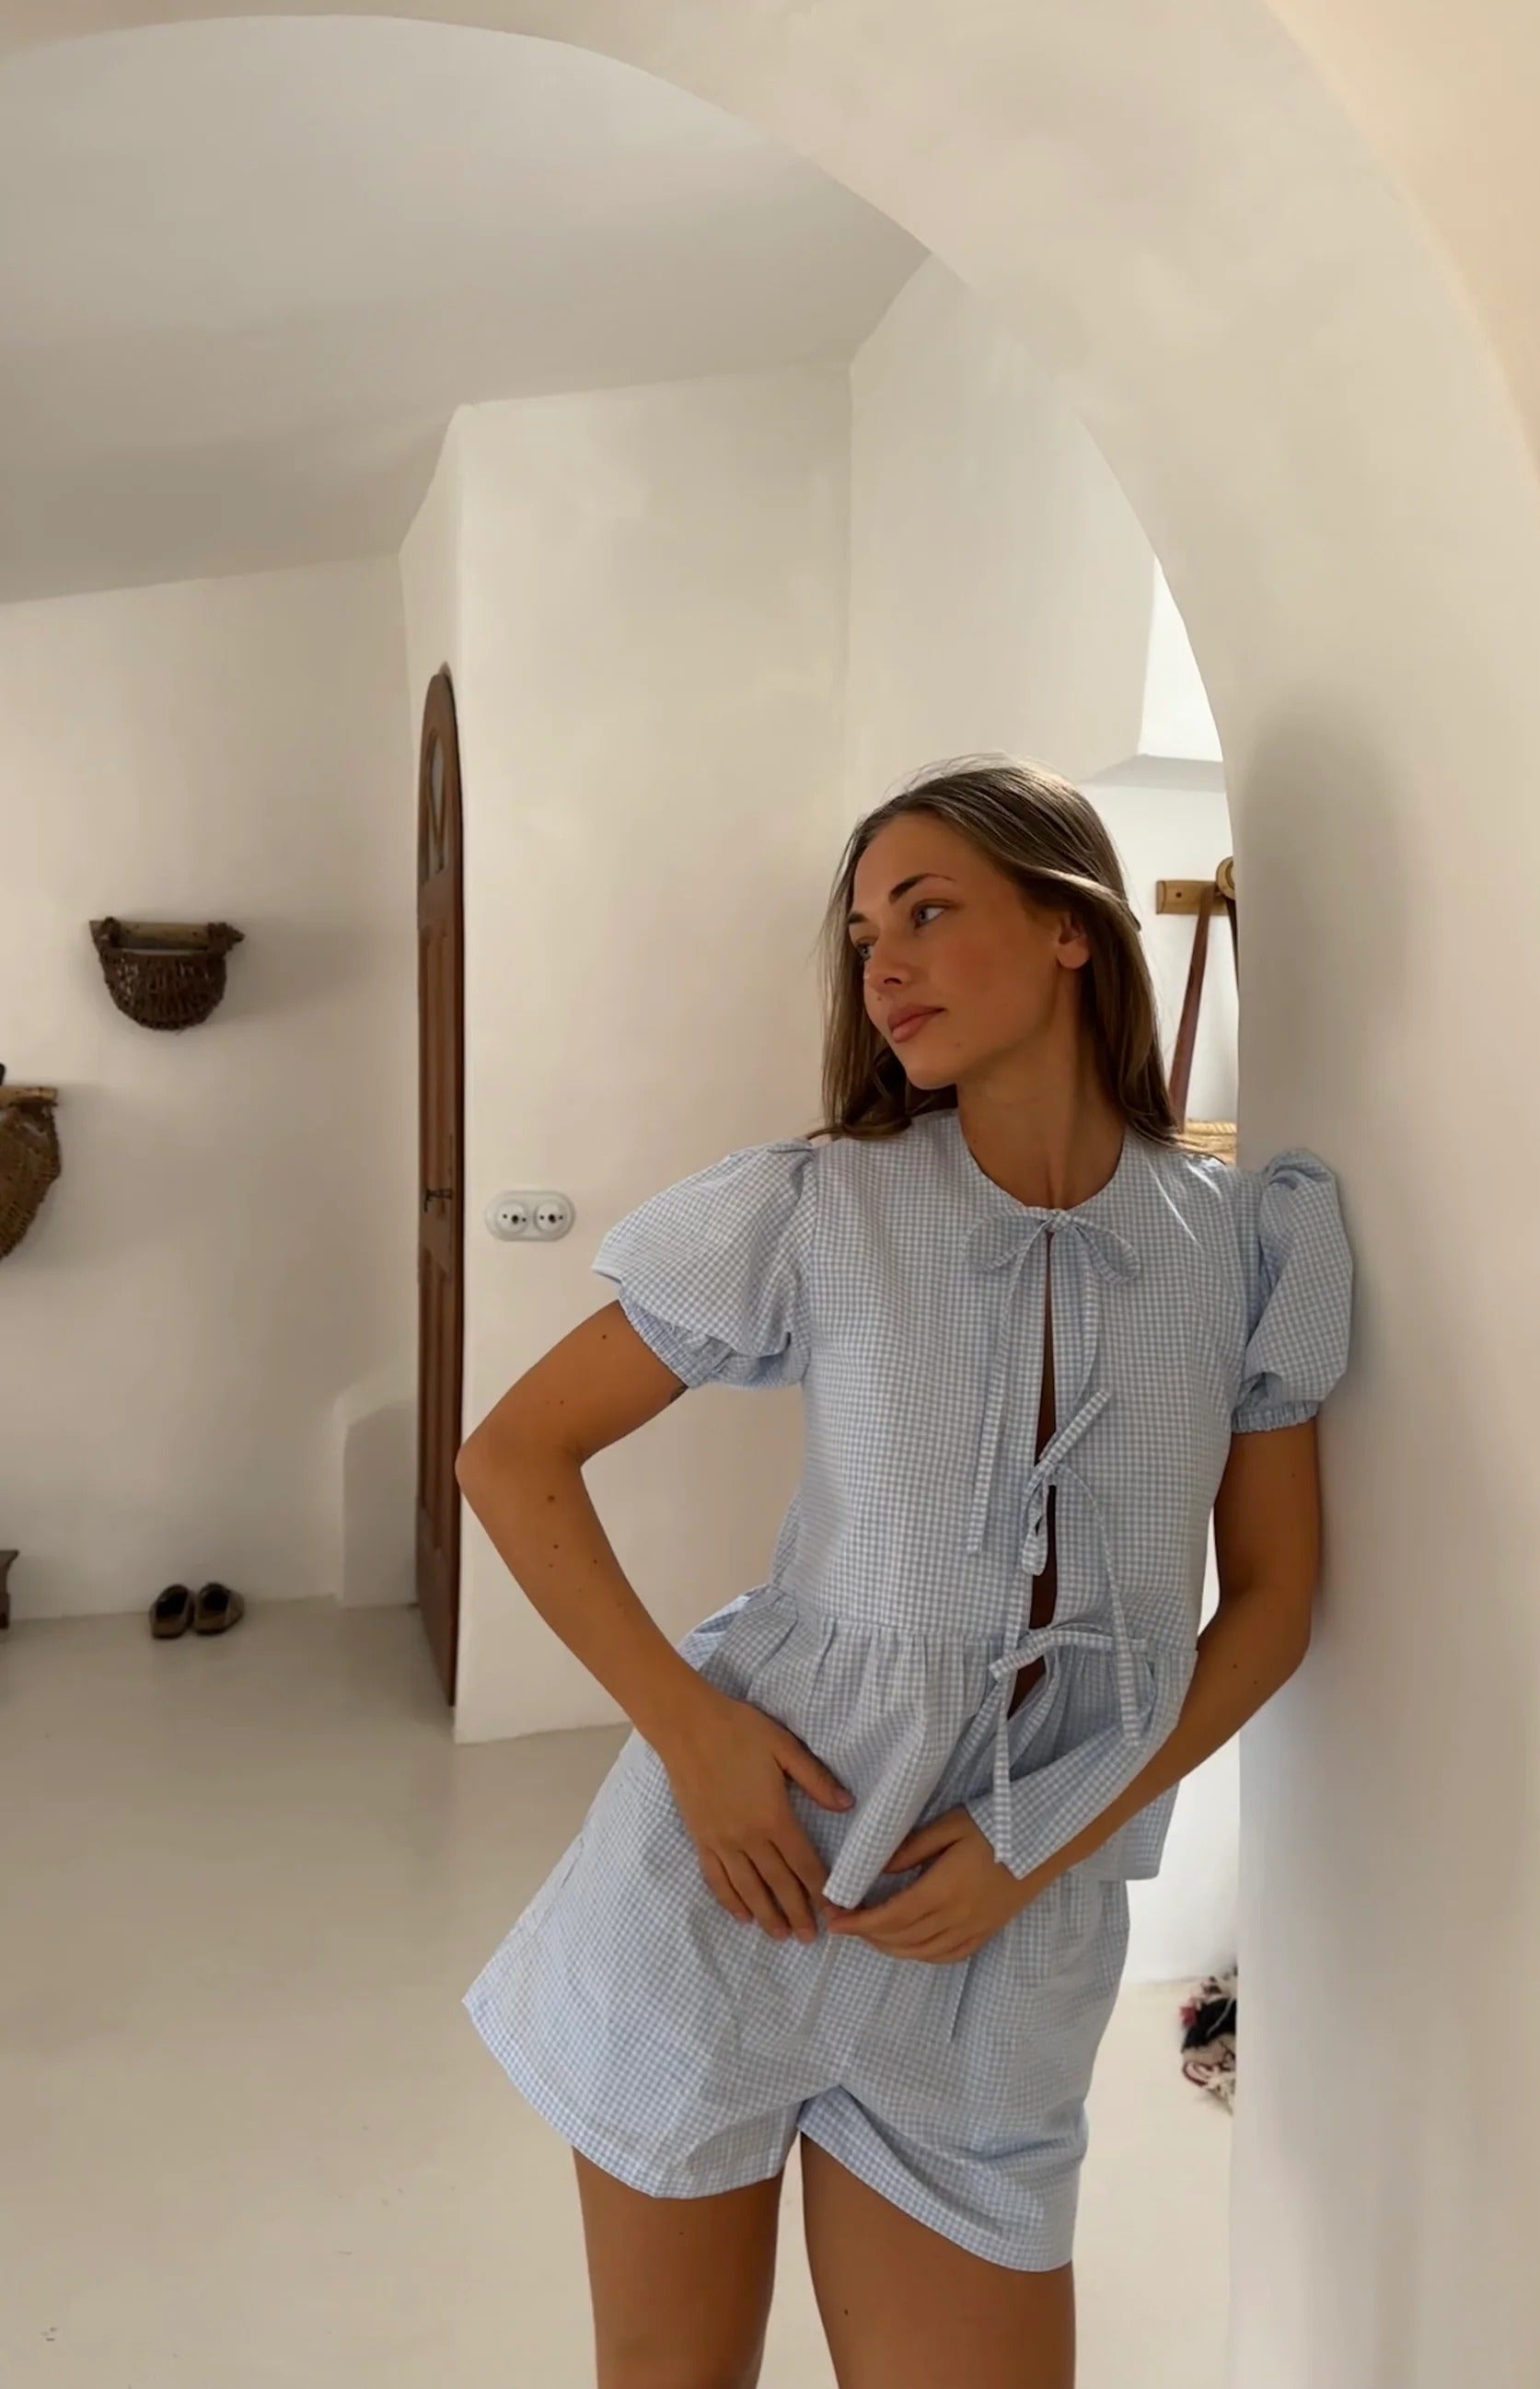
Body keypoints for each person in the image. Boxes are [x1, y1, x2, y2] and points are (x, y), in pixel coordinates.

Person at [456, 755, 1354, 2389]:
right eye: (865, 933)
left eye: (927, 912)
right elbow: (509, 1458)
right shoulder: (822, 1205)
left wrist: (1032, 1840)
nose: (880, 967)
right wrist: (693, 1736)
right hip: (734, 1876)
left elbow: (1275, 1602)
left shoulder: (1238, 1244)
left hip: (1007, 1941)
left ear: (1072, 928)